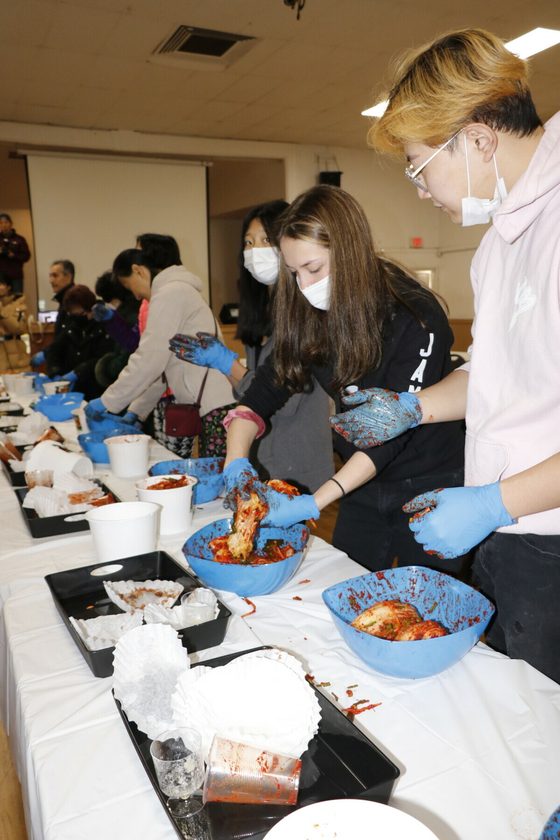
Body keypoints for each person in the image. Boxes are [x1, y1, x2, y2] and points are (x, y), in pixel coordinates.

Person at [337, 28, 560, 682]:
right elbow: (498, 372)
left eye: (418, 164)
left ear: (480, 138)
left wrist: (498, 502)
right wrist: (411, 409)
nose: (420, 189)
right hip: (512, 529)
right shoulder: (500, 243)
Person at [220, 185, 465, 572]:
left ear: (350, 251)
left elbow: (391, 434)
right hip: (361, 480)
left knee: (423, 606)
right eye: (294, 272)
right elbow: (268, 384)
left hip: (428, 479)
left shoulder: (415, 316)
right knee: (347, 580)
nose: (304, 285)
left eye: (313, 269)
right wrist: (236, 461)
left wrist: (316, 501)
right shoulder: (309, 309)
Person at [169, 200, 334, 494]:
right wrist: (223, 363)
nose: (255, 249)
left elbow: (282, 403)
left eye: (266, 239)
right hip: (264, 456)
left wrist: (227, 363)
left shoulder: (304, 313)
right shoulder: (264, 314)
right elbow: (248, 393)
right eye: (248, 242)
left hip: (297, 463)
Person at [85, 248, 235, 458]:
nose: (136, 295)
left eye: (129, 286)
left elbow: (149, 359)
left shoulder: (170, 293)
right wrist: (137, 410)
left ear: (138, 271)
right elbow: (163, 368)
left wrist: (107, 401)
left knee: (220, 481)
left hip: (215, 406)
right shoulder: (172, 292)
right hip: (208, 405)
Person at [43, 284, 113, 399]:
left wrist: (77, 372)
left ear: (91, 308)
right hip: (75, 391)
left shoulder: (104, 325)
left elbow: (103, 357)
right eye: (73, 315)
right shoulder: (73, 326)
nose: (78, 318)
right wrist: (55, 373)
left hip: (97, 390)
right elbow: (54, 349)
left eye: (81, 314)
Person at [93, 271, 141, 389]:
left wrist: (105, 368)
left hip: (130, 382)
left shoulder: (128, 316)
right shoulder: (133, 311)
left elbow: (126, 358)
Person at [30, 259, 75, 368]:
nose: (51, 280)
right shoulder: (63, 300)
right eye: (50, 276)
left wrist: (46, 353)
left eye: (55, 276)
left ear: (68, 277)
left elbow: (68, 334)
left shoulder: (73, 300)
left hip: (72, 363)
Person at [0, 271, 30, 374]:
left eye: (1, 284)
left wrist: (2, 314)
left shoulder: (18, 304)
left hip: (17, 357)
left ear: (8, 287)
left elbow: (19, 328)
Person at [0, 214, 30, 295]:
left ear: (11, 224)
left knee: (17, 299)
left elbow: (26, 256)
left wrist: (13, 255)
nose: (4, 225)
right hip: (1, 275)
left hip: (16, 275)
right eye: (1, 223)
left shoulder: (20, 239)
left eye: (6, 222)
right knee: (2, 300)